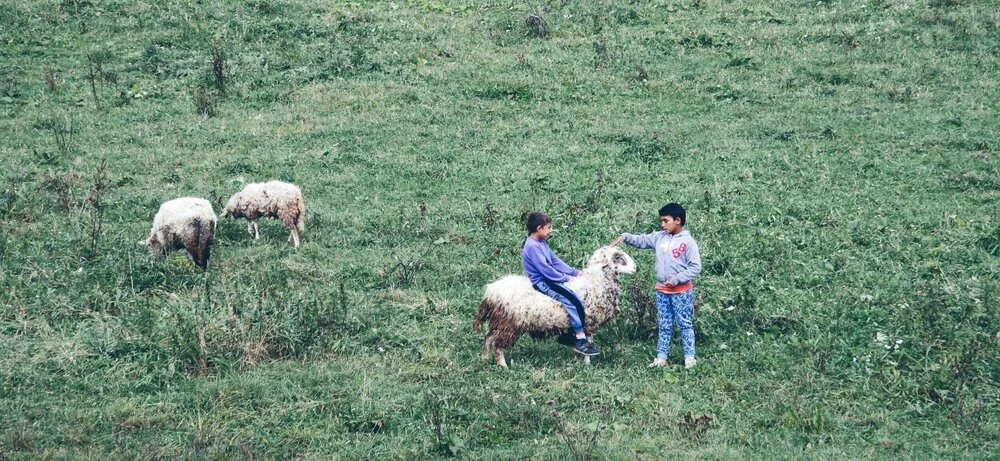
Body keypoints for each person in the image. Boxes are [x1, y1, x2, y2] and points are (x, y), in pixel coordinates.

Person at [612, 203, 701, 369]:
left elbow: (695, 267)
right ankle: (661, 357)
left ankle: (689, 357)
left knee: (685, 324)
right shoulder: (660, 237)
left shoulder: (688, 242)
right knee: (664, 324)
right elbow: (643, 240)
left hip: (681, 292)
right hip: (662, 291)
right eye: (661, 221)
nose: (662, 224)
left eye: (665, 221)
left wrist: (677, 279)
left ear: (678, 220)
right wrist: (626, 237)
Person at [522, 211, 600, 357]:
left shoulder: (541, 242)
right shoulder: (532, 246)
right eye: (549, 227)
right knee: (571, 300)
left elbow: (555, 261)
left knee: (576, 298)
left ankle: (568, 335)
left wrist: (574, 272)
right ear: (539, 228)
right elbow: (545, 269)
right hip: (543, 282)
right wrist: (565, 278)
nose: (550, 231)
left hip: (550, 279)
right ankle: (580, 340)